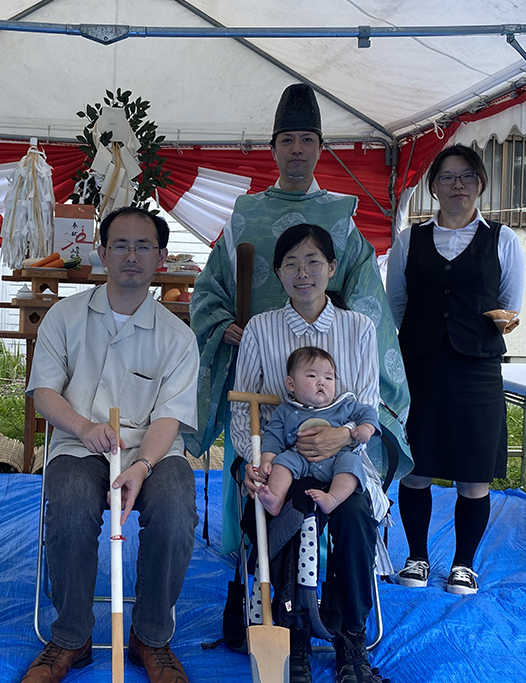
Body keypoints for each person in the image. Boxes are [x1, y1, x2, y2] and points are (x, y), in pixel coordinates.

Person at [187, 83, 410, 553]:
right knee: (262, 468)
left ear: (320, 147)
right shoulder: (246, 214)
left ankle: (326, 570)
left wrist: (349, 339)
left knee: (333, 470)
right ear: (272, 149)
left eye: (307, 139)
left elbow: (365, 294)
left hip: (330, 382)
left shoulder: (340, 214)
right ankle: (256, 571)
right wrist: (219, 321)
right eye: (286, 140)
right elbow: (210, 286)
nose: (297, 149)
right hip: (263, 369)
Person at [21, 206, 199, 683]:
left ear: (161, 258)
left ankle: (151, 636)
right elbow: (43, 392)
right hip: (80, 445)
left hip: (152, 452)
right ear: (101, 253)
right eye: (120, 244)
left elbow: (171, 416)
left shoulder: (178, 336)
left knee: (178, 509)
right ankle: (71, 638)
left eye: (144, 246)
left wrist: (142, 465)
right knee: (74, 506)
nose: (131, 255)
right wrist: (81, 427)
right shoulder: (66, 316)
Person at [235, 224, 389, 683]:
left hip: (343, 462)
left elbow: (368, 406)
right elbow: (244, 414)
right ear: (278, 273)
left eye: (314, 263)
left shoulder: (358, 328)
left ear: (332, 269)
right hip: (284, 459)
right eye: (292, 264)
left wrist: (341, 437)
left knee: (356, 515)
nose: (303, 273)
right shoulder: (261, 329)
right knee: (284, 508)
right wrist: (254, 460)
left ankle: (350, 635)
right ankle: (292, 629)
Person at [386, 143, 525, 595]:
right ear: (434, 188)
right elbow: (396, 307)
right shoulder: (409, 240)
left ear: (480, 183)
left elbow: (511, 306)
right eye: (447, 177)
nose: (457, 184)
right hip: (420, 366)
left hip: (477, 370)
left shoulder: (503, 240)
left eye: (466, 176)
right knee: (417, 467)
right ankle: (417, 556)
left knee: (473, 472)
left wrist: (503, 319)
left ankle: (464, 564)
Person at [256, 346, 379, 517]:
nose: (321, 382)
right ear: (290, 384)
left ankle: (332, 499)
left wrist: (367, 427)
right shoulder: (285, 411)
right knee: (282, 462)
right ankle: (276, 499)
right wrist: (267, 458)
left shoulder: (343, 405)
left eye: (329, 377)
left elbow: (368, 412)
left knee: (352, 463)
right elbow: (273, 436)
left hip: (337, 458)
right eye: (312, 376)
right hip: (299, 457)